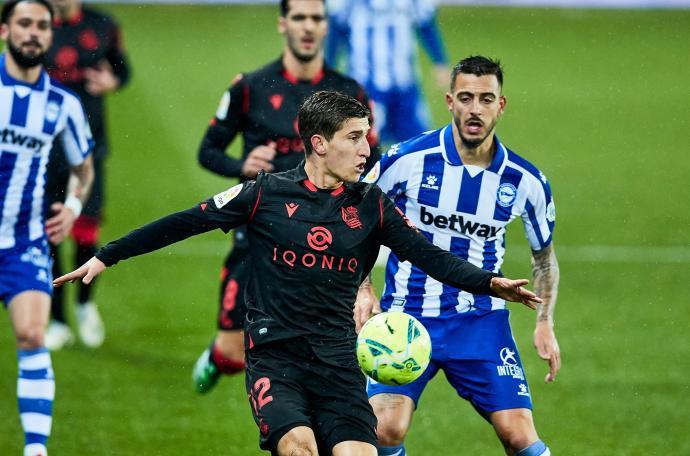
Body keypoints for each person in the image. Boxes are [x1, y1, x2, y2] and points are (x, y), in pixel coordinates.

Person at [54, 90, 540, 456]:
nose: (367, 149)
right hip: (276, 357)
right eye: (355, 138)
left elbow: (428, 255)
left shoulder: (371, 205)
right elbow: (185, 222)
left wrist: (488, 281)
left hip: (338, 362)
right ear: (320, 143)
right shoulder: (264, 194)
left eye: (366, 137)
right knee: (301, 448)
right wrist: (107, 255)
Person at [360, 56, 560, 456]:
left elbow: (544, 259)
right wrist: (363, 289)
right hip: (406, 318)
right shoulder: (405, 160)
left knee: (520, 435)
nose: (475, 109)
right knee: (384, 429)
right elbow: (354, 219)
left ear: (500, 105)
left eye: (486, 99)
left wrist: (544, 322)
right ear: (450, 101)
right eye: (466, 97)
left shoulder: (525, 181)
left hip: (480, 321)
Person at [191, 0, 381, 394]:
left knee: (326, 351)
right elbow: (207, 151)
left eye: (316, 18)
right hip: (259, 238)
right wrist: (242, 165)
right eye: (299, 18)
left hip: (325, 238)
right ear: (283, 24)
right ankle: (218, 357)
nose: (308, 27)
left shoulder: (349, 92)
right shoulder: (250, 87)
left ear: (327, 26)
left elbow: (372, 157)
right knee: (232, 354)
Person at [0, 1, 94, 454]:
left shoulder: (62, 104)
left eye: (41, 25)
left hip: (23, 241)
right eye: (24, 24)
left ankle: (35, 450)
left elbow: (85, 168)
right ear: (5, 30)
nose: (33, 33)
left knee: (33, 335)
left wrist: (74, 206)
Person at [41, 0, 130, 350]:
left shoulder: (104, 24)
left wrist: (113, 80)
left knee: (85, 231)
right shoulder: (36, 25)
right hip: (44, 149)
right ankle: (58, 321)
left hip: (89, 149)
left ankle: (84, 305)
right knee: (49, 235)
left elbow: (123, 69)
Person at [325, 0, 449, 145]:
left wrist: (440, 61)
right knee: (359, 146)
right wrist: (328, 68)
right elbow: (337, 28)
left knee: (418, 144)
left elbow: (426, 23)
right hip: (364, 85)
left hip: (404, 84)